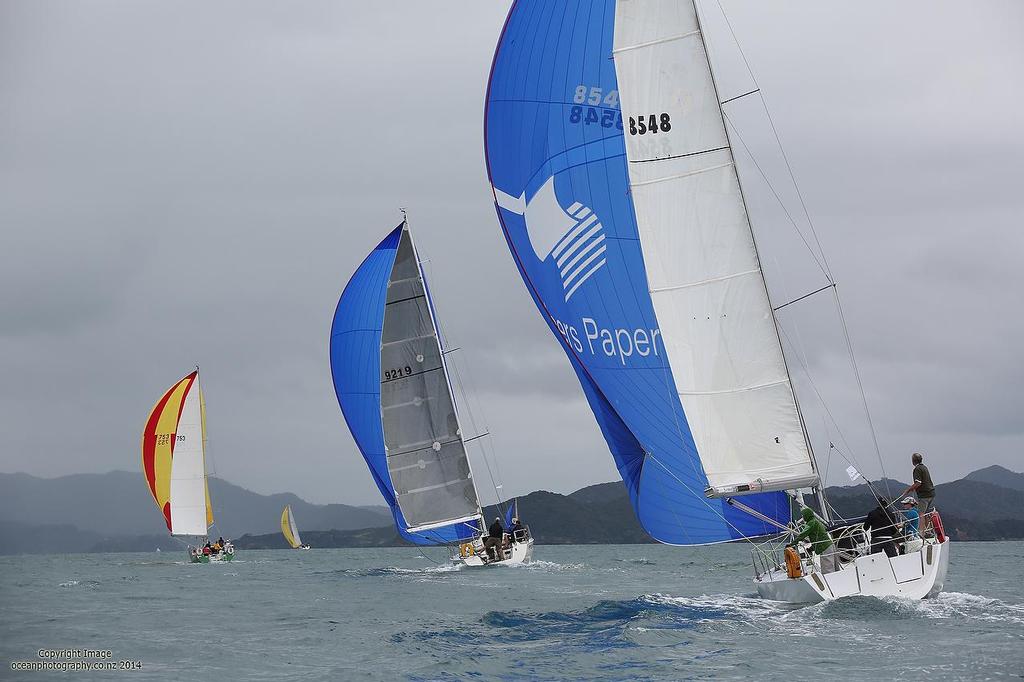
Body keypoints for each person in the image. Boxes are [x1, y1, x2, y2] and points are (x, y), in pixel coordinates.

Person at [789, 507, 837, 574]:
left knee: (828, 571)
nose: (803, 517)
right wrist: (812, 548)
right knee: (836, 569)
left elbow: (803, 534)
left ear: (807, 515)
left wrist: (792, 544)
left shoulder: (811, 523)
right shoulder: (815, 521)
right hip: (829, 545)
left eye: (803, 515)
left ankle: (831, 583)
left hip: (825, 548)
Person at [899, 452, 936, 534]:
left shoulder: (917, 469)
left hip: (924, 495)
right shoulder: (924, 467)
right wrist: (913, 488)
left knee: (921, 514)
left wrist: (908, 490)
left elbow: (918, 483)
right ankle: (927, 531)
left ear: (913, 461)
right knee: (925, 513)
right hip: (931, 494)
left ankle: (921, 533)